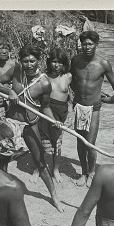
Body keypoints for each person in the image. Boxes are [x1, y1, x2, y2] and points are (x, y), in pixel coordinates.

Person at [0, 44, 65, 212]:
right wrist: (9, 91)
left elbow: (45, 107)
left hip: (30, 123)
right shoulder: (16, 71)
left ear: (39, 61)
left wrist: (54, 121)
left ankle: (54, 196)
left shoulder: (44, 83)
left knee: (39, 161)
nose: (29, 65)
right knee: (1, 156)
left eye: (32, 61)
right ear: (20, 61)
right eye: (25, 61)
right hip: (11, 122)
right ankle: (1, 191)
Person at [70, 30, 114, 187]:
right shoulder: (75, 60)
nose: (87, 47)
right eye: (84, 44)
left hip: (94, 108)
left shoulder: (103, 64)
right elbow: (71, 80)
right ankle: (83, 172)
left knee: (90, 143)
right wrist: (76, 94)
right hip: (79, 106)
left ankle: (91, 173)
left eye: (90, 44)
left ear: (96, 44)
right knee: (80, 142)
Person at [34, 48, 72, 183]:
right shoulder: (43, 77)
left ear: (64, 64)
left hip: (60, 115)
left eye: (60, 62)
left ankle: (56, 170)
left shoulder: (68, 77)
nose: (56, 65)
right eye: (54, 62)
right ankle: (38, 169)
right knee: (41, 142)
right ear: (49, 62)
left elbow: (77, 91)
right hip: (45, 113)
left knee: (57, 143)